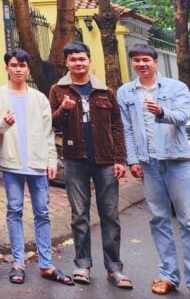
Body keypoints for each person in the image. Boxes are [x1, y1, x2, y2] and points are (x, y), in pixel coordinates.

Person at [117, 45, 190, 299]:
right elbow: (127, 129)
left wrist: (161, 112)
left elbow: (183, 117)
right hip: (148, 163)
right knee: (158, 219)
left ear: (155, 62)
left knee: (188, 221)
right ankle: (168, 275)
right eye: (136, 60)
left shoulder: (176, 87)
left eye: (146, 59)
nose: (141, 64)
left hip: (176, 160)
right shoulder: (125, 92)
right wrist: (133, 160)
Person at [49, 41, 131, 289]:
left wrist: (120, 159)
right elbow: (51, 123)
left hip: (105, 160)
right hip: (75, 160)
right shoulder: (58, 90)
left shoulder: (105, 91)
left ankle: (114, 268)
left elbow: (117, 127)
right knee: (79, 215)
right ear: (66, 62)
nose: (78, 63)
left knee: (110, 215)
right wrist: (63, 109)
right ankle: (83, 265)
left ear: (89, 60)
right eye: (73, 59)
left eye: (82, 58)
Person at [0, 49, 71, 287]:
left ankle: (46, 264)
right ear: (6, 68)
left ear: (28, 69)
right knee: (14, 211)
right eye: (14, 65)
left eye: (22, 66)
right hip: (12, 162)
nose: (18, 70)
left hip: (37, 162)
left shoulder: (39, 98)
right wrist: (5, 123)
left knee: (42, 212)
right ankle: (18, 263)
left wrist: (51, 160)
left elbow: (48, 131)